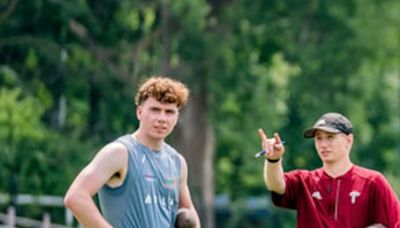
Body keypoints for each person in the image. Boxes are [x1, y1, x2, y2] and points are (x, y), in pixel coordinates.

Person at [64, 76, 200, 227]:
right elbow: (76, 196)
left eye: (169, 112)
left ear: (176, 117)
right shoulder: (120, 153)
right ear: (139, 112)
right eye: (155, 110)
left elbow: (188, 210)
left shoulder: (176, 162)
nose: (162, 118)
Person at [258, 112, 400, 228]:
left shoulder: (372, 182)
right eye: (319, 139)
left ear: (349, 140)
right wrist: (273, 160)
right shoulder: (304, 181)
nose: (323, 144)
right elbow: (276, 184)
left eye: (330, 137)